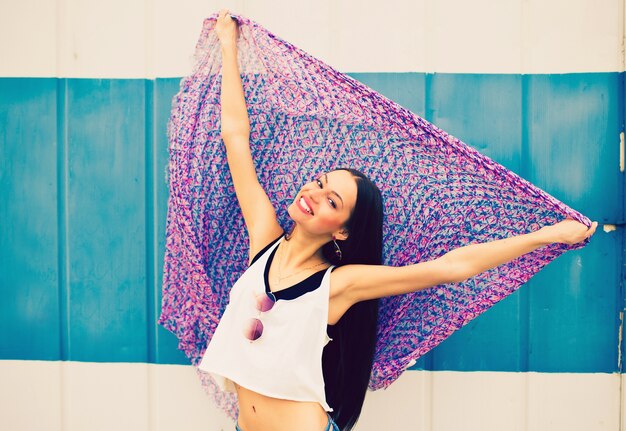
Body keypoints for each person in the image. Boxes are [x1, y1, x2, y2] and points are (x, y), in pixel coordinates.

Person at [198, 9, 598, 431]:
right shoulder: (263, 241)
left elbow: (450, 269)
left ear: (343, 230)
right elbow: (235, 139)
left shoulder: (339, 286)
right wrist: (229, 47)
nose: (312, 195)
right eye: (317, 183)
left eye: (331, 200)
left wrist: (546, 235)